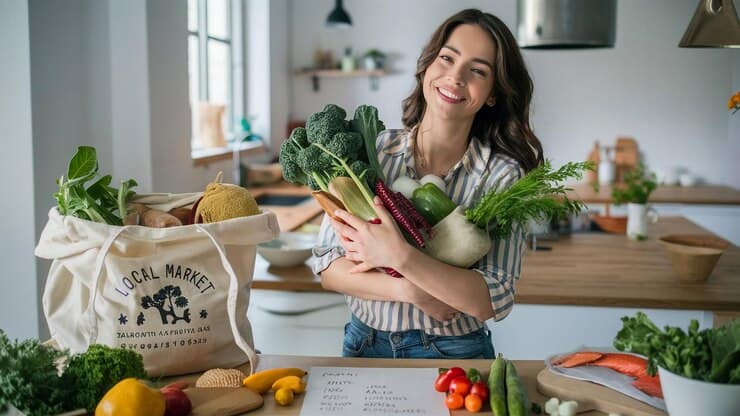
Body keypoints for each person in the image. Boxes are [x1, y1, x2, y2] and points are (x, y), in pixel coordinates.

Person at [312, 9, 543, 359]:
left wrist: (400, 256)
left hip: (454, 350)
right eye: (447, 58)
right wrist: (408, 290)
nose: (455, 77)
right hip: (363, 344)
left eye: (477, 70)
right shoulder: (373, 149)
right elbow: (329, 267)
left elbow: (492, 298)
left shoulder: (503, 176)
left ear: (493, 93)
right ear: (427, 66)